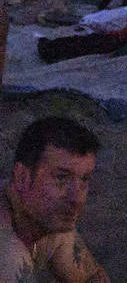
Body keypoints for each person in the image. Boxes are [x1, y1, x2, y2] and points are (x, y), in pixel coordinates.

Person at [0, 117, 107, 283]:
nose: (76, 198)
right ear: (22, 177)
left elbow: (92, 278)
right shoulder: (7, 257)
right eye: (61, 178)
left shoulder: (48, 220)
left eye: (84, 180)